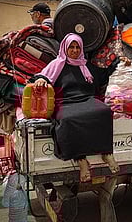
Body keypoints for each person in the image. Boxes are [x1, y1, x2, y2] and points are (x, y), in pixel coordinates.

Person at [33, 33, 119, 182]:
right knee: (67, 120)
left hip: (87, 100)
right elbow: (43, 76)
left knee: (104, 111)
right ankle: (81, 160)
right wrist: (40, 79)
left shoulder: (86, 65)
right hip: (64, 102)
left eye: (77, 47)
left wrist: (120, 62)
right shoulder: (57, 64)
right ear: (65, 48)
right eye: (71, 47)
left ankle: (106, 153)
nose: (74, 50)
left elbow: (104, 75)